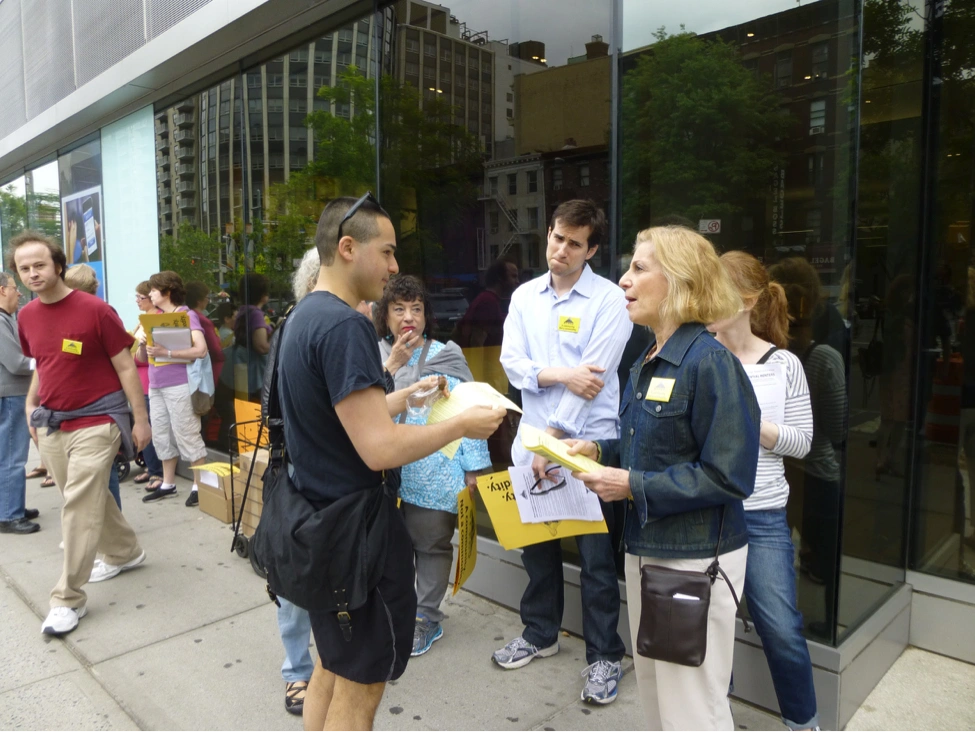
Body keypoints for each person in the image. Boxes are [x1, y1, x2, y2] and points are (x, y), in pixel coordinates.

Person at [277, 193, 505, 732]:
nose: (394, 266)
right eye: (387, 251)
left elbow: (344, 416)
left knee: (331, 667)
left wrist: (406, 396)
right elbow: (378, 449)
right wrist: (461, 426)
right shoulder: (346, 327)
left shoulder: (301, 317)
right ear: (347, 248)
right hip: (354, 538)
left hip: (319, 526)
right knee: (360, 685)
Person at [568, 225, 760, 731]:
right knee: (657, 696)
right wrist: (598, 450)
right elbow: (650, 449)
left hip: (692, 563)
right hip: (648, 552)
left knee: (692, 709)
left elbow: (729, 475)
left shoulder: (711, 363)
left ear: (679, 281)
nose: (623, 279)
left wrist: (631, 485)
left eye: (639, 268)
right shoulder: (649, 359)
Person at [495, 199, 633, 706]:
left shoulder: (610, 301)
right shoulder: (524, 297)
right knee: (538, 549)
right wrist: (558, 374)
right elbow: (512, 364)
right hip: (532, 444)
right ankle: (540, 634)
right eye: (557, 238)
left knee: (596, 559)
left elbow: (591, 382)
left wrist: (552, 439)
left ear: (591, 250)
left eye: (575, 243)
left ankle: (604, 655)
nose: (562, 250)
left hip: (586, 446)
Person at [10, 230, 149, 636]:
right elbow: (43, 364)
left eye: (39, 265)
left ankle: (67, 598)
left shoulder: (95, 310)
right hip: (53, 422)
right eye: (24, 268)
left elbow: (125, 366)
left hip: (99, 419)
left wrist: (140, 420)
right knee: (89, 499)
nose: (32, 273)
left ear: (58, 265)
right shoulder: (26, 316)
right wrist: (31, 406)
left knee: (78, 505)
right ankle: (125, 551)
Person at [710, 251, 819, 732]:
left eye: (716, 292)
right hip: (709, 512)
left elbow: (803, 441)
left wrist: (753, 426)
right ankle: (714, 720)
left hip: (763, 515)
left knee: (781, 627)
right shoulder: (700, 356)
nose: (705, 302)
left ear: (748, 301)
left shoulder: (783, 364)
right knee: (711, 629)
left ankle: (803, 723)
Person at [376, 275, 492, 657]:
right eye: (399, 308)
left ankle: (426, 616)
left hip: (436, 470)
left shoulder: (446, 355)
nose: (409, 316)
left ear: (427, 314)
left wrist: (473, 468)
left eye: (416, 308)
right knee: (389, 548)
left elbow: (470, 411)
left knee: (431, 545)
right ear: (385, 315)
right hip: (383, 472)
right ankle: (396, 610)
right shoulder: (371, 355)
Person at [768, 257, 848, 642]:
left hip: (776, 473)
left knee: (777, 559)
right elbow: (837, 428)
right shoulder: (824, 359)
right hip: (816, 473)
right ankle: (828, 624)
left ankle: (775, 625)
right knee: (827, 559)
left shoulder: (763, 357)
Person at [134, 271, 209, 506]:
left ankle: (200, 485)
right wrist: (143, 344)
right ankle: (168, 483)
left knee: (186, 432)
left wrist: (166, 352)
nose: (150, 295)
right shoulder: (153, 317)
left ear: (167, 292)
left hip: (179, 384)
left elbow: (201, 349)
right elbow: (141, 358)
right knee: (162, 435)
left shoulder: (186, 315)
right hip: (156, 385)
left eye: (154, 290)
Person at [63, 264, 123, 510]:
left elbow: (119, 360)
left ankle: (111, 522)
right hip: (78, 401)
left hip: (98, 401)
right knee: (99, 469)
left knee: (103, 468)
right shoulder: (73, 313)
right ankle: (106, 520)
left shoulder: (101, 312)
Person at [0, 270, 40, 534]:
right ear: (2, 290)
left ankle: (11, 505)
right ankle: (9, 514)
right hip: (11, 395)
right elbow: (16, 363)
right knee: (13, 456)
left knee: (10, 454)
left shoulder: (7, 319)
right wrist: (46, 361)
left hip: (13, 394)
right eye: (15, 288)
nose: (19, 293)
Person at [131, 280, 165, 491]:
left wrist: (134, 351)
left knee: (150, 428)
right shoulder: (143, 319)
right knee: (145, 426)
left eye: (140, 297)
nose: (137, 301)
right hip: (140, 380)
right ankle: (150, 466)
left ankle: (156, 471)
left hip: (148, 380)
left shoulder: (156, 319)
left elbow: (145, 356)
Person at [455, 258, 519, 348]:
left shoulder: (488, 300)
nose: (517, 281)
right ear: (500, 278)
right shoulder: (488, 302)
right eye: (513, 276)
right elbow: (476, 343)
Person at [234, 273, 271, 401]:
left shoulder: (243, 311)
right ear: (262, 295)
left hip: (244, 371)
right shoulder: (255, 314)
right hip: (256, 375)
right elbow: (261, 346)